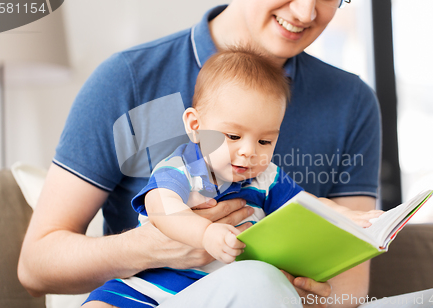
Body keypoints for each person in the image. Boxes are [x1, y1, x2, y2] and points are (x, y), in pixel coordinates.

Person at [81, 47, 383, 307]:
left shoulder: (266, 177)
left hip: (216, 294)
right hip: (148, 289)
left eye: (265, 141)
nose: (249, 151)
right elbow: (162, 208)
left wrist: (348, 217)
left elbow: (308, 204)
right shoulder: (181, 168)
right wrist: (205, 235)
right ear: (195, 125)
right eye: (234, 136)